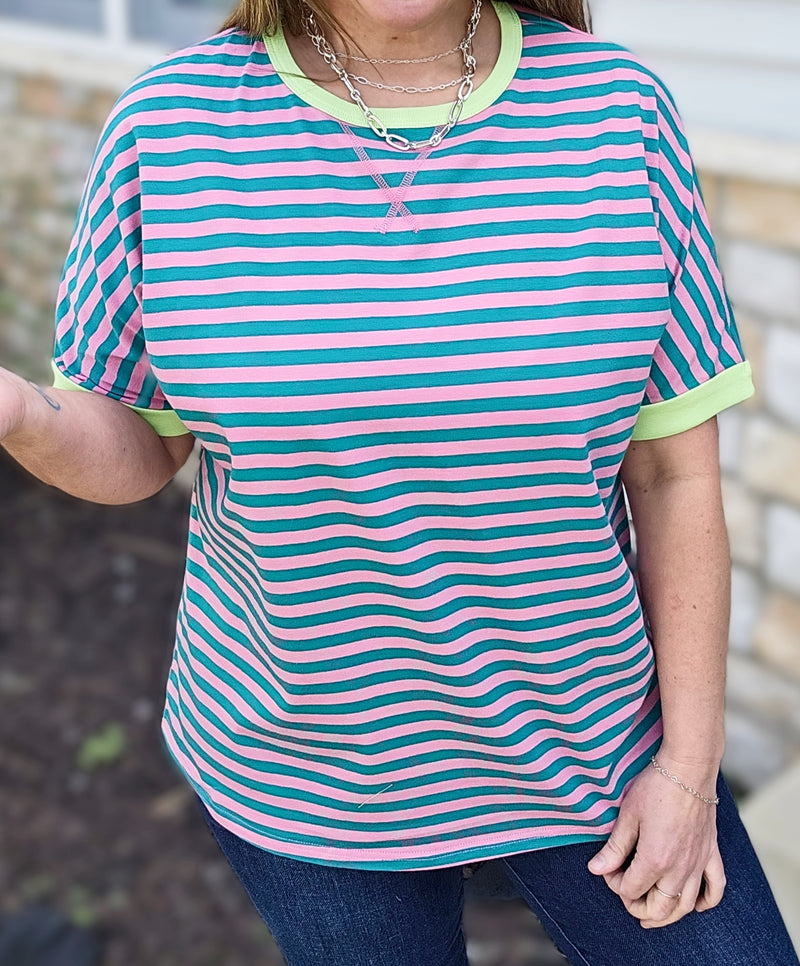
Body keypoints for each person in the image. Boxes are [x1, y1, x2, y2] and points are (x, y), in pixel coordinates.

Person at [1, 0, 797, 963]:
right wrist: (17, 413)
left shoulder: (616, 110)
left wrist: (689, 767)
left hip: (599, 751)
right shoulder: (168, 126)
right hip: (305, 773)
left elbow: (672, 474)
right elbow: (135, 441)